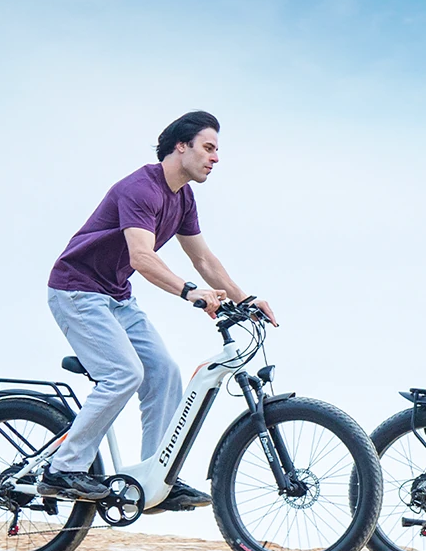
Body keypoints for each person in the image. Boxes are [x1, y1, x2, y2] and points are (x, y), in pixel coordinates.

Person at [38, 110, 277, 510]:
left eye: (217, 151)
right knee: (123, 374)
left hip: (116, 295)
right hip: (77, 290)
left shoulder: (183, 198)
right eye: (208, 148)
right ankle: (63, 468)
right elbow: (142, 257)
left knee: (164, 372)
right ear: (181, 146)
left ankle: (156, 479)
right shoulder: (141, 188)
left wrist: (243, 297)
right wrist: (189, 293)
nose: (215, 158)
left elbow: (203, 259)